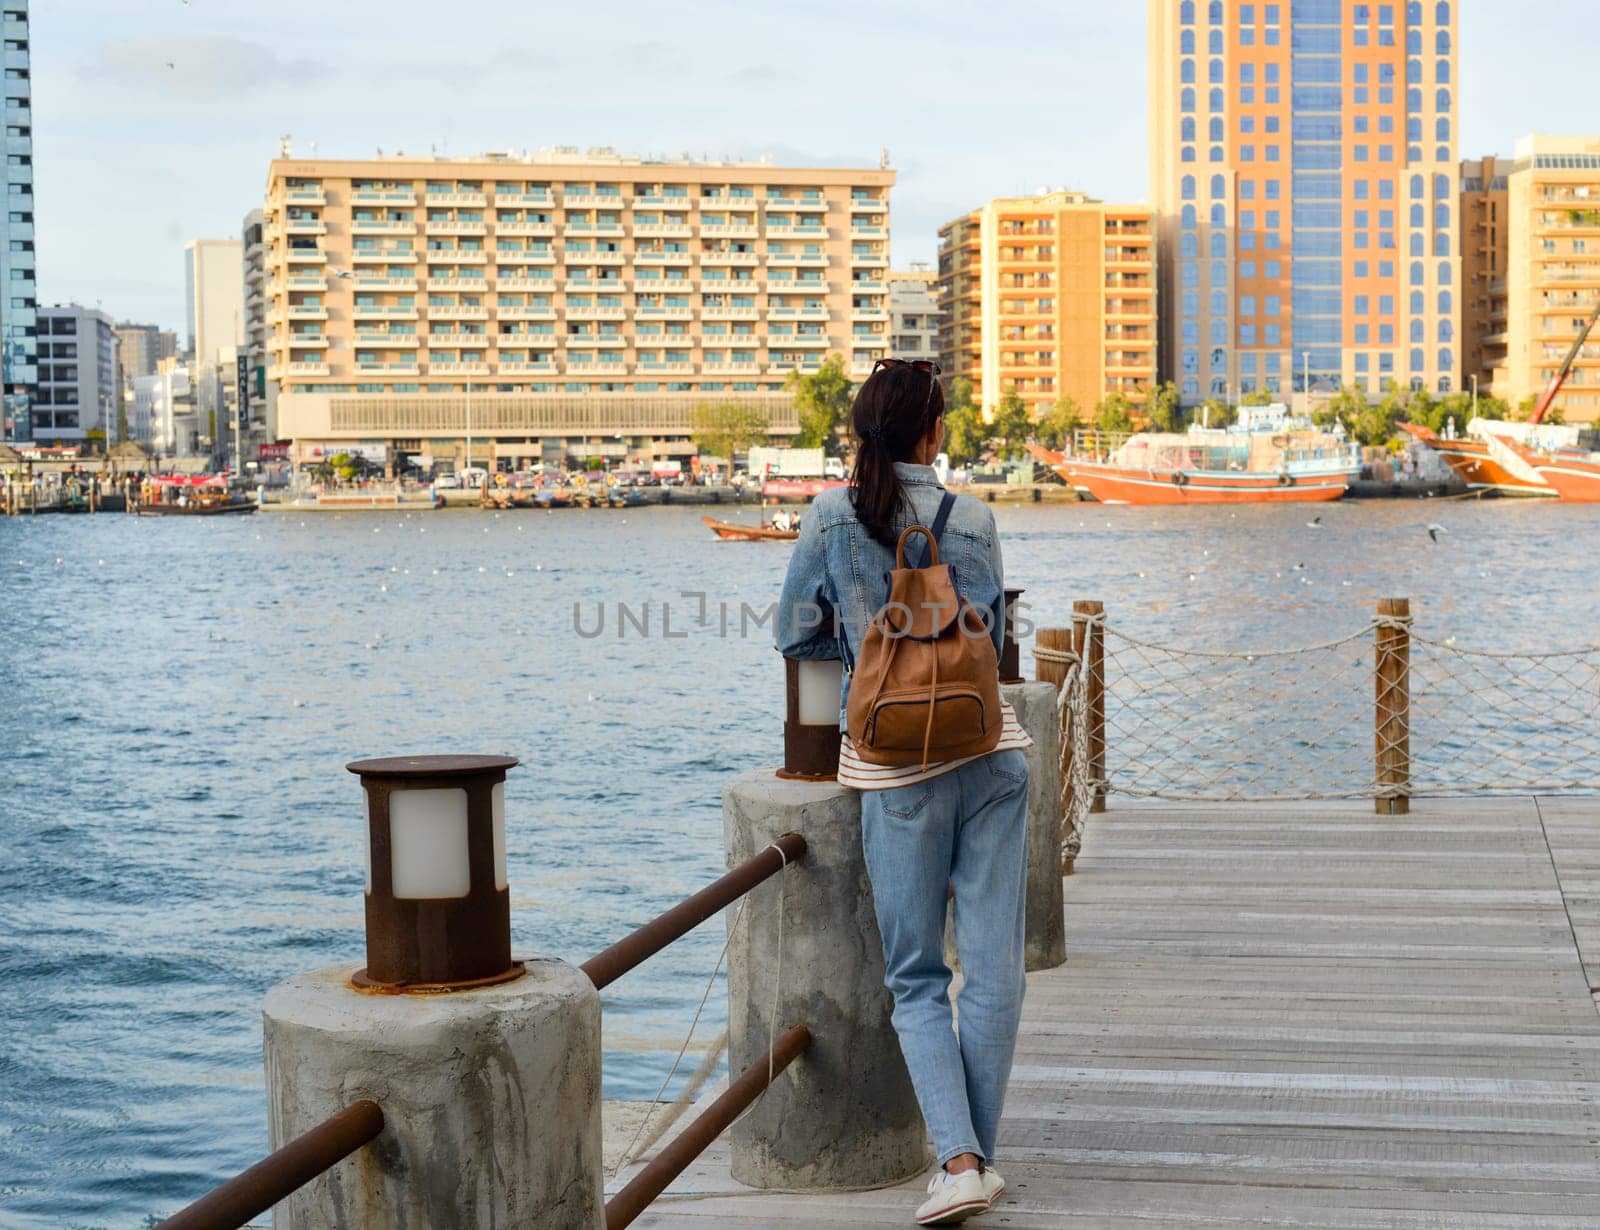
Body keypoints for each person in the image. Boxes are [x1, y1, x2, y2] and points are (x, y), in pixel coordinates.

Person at [775, 358, 1030, 1226]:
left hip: (896, 772)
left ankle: (959, 1163)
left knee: (917, 977)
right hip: (991, 761)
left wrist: (860, 640)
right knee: (993, 975)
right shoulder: (976, 518)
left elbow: (792, 630)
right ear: (934, 432)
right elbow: (991, 636)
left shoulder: (828, 516)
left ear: (862, 431)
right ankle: (973, 1160)